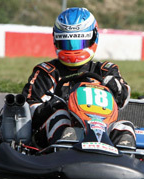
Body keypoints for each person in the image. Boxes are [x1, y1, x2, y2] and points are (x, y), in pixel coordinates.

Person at [22, 7, 136, 149]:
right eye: (66, 44)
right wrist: (55, 104)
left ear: (93, 38)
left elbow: (123, 99)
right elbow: (27, 111)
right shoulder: (47, 72)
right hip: (52, 138)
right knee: (61, 118)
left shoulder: (105, 70)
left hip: (101, 128)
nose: (72, 49)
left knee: (125, 127)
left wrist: (115, 87)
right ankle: (65, 149)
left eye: (77, 43)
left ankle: (125, 159)